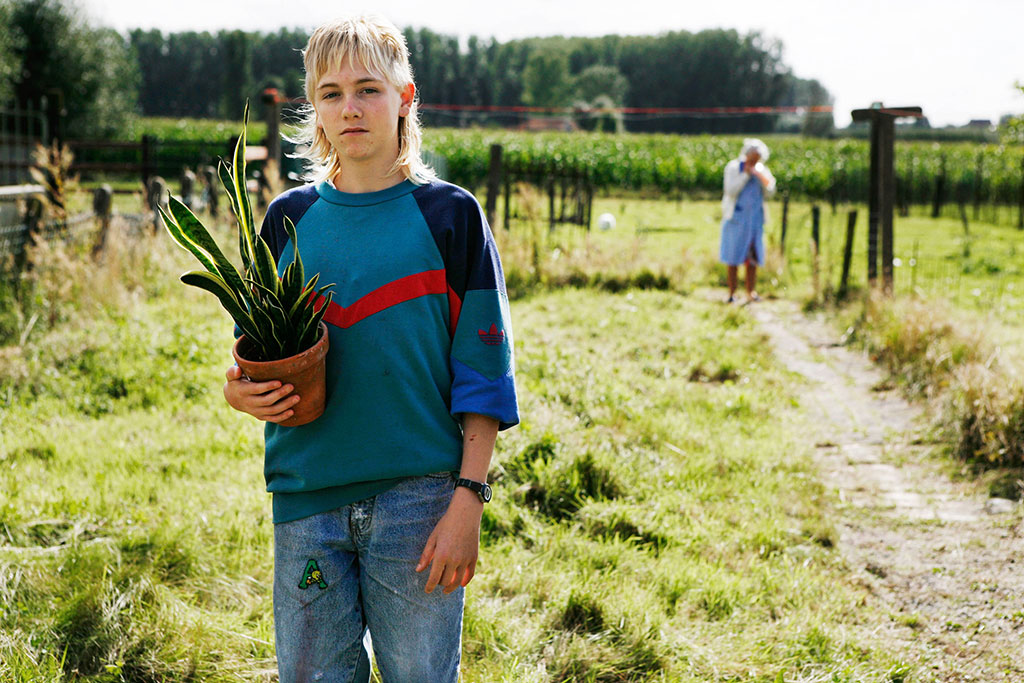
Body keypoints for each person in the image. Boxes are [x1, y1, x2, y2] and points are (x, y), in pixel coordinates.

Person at [221, 15, 518, 682]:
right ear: (314, 108)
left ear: (404, 97)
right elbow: (254, 353)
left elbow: (483, 369)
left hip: (420, 503)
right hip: (308, 501)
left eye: (368, 89)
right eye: (330, 93)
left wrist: (468, 497)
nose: (348, 108)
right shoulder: (285, 220)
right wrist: (236, 389)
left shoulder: (450, 216)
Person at [719, 138, 776, 303]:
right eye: (753, 157)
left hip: (755, 221)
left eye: (758, 158)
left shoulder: (761, 170)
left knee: (753, 258)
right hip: (736, 220)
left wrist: (759, 176)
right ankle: (732, 293)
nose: (755, 160)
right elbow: (730, 191)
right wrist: (745, 175)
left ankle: (751, 292)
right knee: (733, 256)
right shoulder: (734, 168)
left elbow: (770, 191)